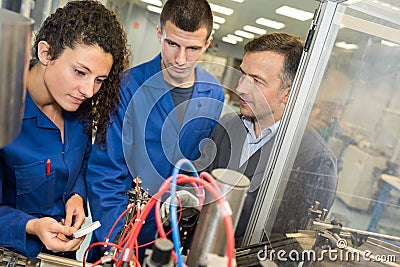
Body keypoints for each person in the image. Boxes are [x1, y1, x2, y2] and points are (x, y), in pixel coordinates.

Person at [86, 0, 224, 262]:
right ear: (159, 33)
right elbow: (105, 173)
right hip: (119, 228)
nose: (181, 59)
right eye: (173, 44)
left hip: (170, 237)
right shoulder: (126, 87)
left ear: (207, 43)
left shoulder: (213, 93)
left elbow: (199, 169)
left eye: (193, 48)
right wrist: (118, 244)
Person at [0, 0, 129, 259]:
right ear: (46, 53)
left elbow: (81, 160)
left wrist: (76, 196)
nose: (89, 90)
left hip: (62, 257)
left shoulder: (76, 107)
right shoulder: (6, 115)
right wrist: (32, 226)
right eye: (80, 72)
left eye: (99, 80)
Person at [195, 32, 338, 244]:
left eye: (256, 81)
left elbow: (291, 248)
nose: (240, 88)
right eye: (243, 75)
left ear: (288, 94)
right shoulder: (227, 125)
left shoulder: (313, 160)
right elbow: (198, 188)